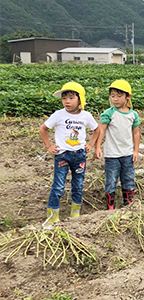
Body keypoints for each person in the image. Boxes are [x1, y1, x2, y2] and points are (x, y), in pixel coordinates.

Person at [39, 82, 99, 227]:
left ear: (80, 100)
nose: (67, 101)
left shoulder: (86, 116)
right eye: (64, 98)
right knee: (58, 185)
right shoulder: (58, 115)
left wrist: (91, 144)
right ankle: (53, 215)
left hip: (79, 155)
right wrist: (49, 146)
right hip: (62, 155)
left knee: (78, 184)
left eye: (71, 98)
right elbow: (43, 129)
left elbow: (97, 129)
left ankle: (75, 212)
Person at [95, 79, 140, 210]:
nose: (115, 99)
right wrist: (98, 147)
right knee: (111, 181)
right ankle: (110, 207)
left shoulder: (133, 114)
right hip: (112, 154)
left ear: (128, 97)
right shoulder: (109, 113)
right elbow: (101, 130)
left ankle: (129, 204)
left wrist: (135, 151)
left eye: (119, 96)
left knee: (129, 179)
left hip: (127, 153)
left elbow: (136, 134)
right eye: (112, 96)